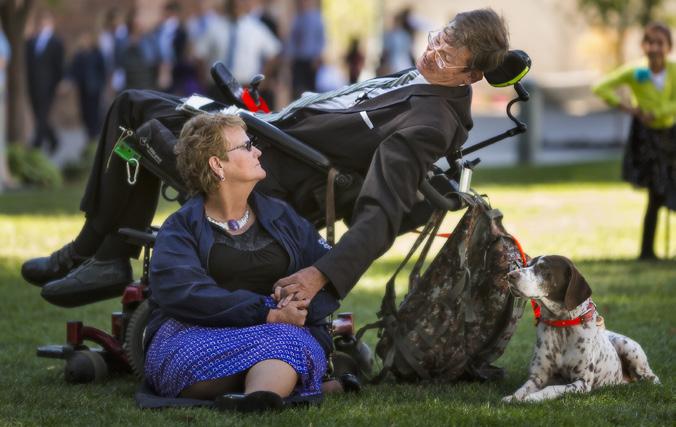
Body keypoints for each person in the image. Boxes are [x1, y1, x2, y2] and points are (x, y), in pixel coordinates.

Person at [23, 8, 509, 310]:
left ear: (469, 77)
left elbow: (381, 211)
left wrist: (325, 274)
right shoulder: (424, 78)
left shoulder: (430, 123)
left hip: (268, 173)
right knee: (131, 102)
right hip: (264, 130)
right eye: (436, 40)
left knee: (140, 128)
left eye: (446, 57)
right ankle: (98, 250)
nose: (431, 55)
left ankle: (102, 255)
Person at [143, 113, 338, 409]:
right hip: (197, 332)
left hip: (279, 334)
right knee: (189, 353)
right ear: (216, 164)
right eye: (247, 147)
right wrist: (266, 313)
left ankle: (256, 399)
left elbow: (324, 270)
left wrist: (297, 302)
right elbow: (183, 293)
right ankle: (282, 390)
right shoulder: (180, 227)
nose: (257, 151)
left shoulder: (282, 216)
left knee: (287, 343)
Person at [593, 22, 676, 260]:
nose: (655, 48)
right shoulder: (636, 72)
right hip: (648, 139)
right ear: (643, 46)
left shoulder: (673, 70)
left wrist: (659, 111)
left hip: (671, 135)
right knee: (655, 193)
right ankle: (647, 250)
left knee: (668, 189)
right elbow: (601, 87)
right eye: (650, 42)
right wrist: (631, 108)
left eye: (660, 43)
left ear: (668, 47)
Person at [25, 11, 64, 153]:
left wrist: (59, 82)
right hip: (33, 84)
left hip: (49, 85)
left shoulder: (56, 42)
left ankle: (37, 143)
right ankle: (53, 139)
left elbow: (59, 65)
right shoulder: (31, 42)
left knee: (42, 113)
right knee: (38, 114)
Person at [287, 0, 325, 98]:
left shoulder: (317, 18)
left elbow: (321, 39)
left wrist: (317, 57)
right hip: (299, 58)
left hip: (311, 59)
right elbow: (293, 39)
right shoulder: (298, 18)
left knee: (310, 88)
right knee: (297, 87)